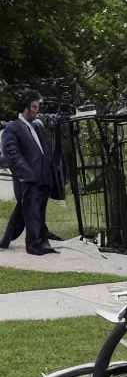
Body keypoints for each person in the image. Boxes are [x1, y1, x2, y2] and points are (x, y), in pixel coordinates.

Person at [0, 89, 58, 255]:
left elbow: (44, 150)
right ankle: (33, 245)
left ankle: (40, 240)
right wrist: (27, 175)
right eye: (34, 106)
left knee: (38, 211)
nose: (37, 109)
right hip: (28, 179)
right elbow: (13, 154)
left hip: (42, 177)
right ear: (26, 107)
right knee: (31, 211)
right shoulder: (13, 129)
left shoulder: (36, 127)